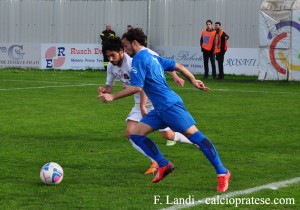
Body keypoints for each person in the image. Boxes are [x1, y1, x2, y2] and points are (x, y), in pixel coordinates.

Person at [98, 29, 230, 193]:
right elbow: (179, 66)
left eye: (125, 45)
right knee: (135, 134)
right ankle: (163, 164)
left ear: (134, 43)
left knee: (197, 137)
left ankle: (222, 172)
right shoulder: (152, 55)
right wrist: (193, 81)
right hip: (159, 109)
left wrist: (113, 96)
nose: (125, 49)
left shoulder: (139, 58)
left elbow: (137, 87)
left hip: (170, 106)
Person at [99, 37, 193, 174]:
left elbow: (142, 86)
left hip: (153, 100)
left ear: (121, 51)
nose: (111, 59)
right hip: (139, 102)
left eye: (112, 55)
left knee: (168, 135)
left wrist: (143, 106)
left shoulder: (133, 61)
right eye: (108, 56)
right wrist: (104, 90)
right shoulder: (111, 66)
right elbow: (109, 86)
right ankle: (155, 161)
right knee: (130, 133)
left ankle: (195, 141)